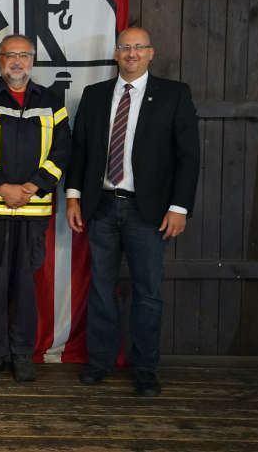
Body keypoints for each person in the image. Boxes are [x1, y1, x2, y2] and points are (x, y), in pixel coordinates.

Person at [65, 27, 200, 396]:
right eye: (125, 47)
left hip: (150, 210)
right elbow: (79, 151)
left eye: (139, 47)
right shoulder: (94, 96)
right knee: (101, 289)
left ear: (151, 53)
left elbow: (189, 157)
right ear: (116, 52)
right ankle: (100, 362)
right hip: (102, 206)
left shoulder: (174, 94)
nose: (132, 53)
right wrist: (74, 197)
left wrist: (179, 207)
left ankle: (144, 368)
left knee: (148, 292)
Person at [0, 34, 71, 382]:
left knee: (26, 285)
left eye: (24, 55)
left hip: (32, 209)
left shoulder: (53, 101)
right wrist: (0, 187)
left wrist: (34, 186)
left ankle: (23, 354)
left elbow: (62, 151)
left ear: (33, 60)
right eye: (10, 55)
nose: (17, 62)